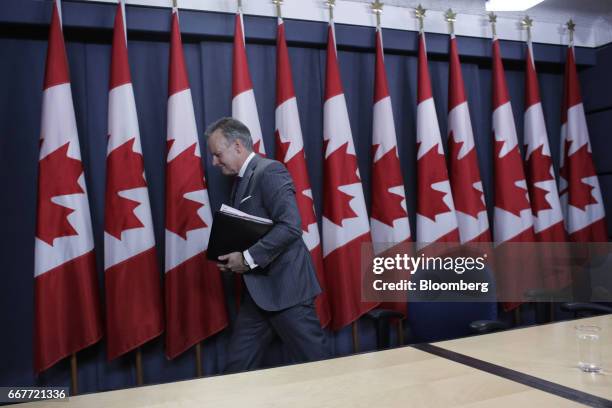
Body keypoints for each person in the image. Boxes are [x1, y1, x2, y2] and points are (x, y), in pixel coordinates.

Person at [205, 117, 328, 372]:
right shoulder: (240, 180)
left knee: (319, 368)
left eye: (217, 154)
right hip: (258, 294)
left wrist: (247, 258)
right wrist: (234, 258)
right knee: (235, 370)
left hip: (287, 291)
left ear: (238, 146)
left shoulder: (270, 171)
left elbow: (290, 226)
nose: (214, 162)